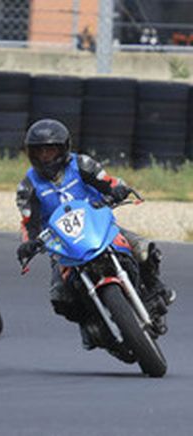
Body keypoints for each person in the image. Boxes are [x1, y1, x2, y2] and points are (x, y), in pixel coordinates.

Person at [15, 119, 176, 346]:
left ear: (63, 149)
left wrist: (118, 190)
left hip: (99, 227)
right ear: (30, 153)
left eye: (50, 150)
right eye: (39, 151)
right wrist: (28, 243)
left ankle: (154, 289)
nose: (45, 156)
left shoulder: (82, 165)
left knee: (144, 249)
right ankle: (91, 326)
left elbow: (108, 182)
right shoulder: (28, 186)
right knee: (60, 296)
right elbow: (28, 222)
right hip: (62, 244)